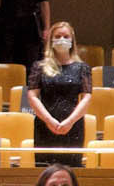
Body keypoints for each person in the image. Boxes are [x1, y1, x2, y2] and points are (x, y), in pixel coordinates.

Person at [27, 21, 93, 167]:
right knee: (45, 172)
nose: (62, 39)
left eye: (66, 36)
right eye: (58, 36)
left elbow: (87, 97)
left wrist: (69, 122)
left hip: (73, 126)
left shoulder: (82, 68)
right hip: (45, 125)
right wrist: (49, 120)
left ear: (72, 40)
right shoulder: (39, 67)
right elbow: (32, 96)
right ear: (51, 40)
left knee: (71, 172)